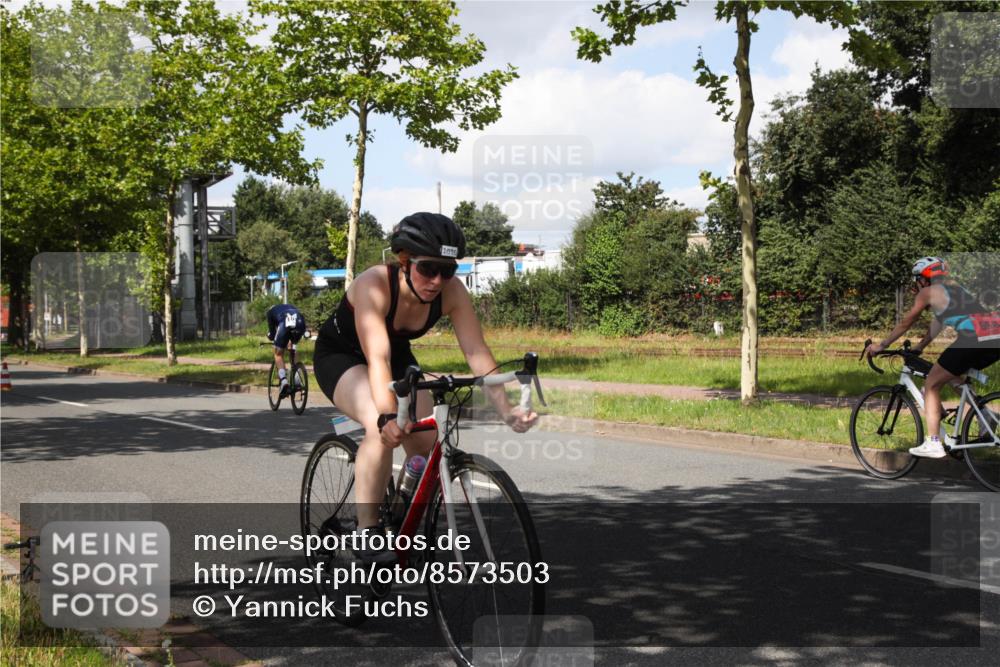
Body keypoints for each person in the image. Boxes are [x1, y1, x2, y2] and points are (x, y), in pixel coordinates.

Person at [313, 212, 538, 564]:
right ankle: (367, 530)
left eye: (447, 270)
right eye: (428, 268)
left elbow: (477, 353)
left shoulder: (451, 293)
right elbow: (378, 356)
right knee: (380, 425)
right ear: (404, 261)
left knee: (427, 441)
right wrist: (389, 415)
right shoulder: (374, 284)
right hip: (343, 357)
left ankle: (405, 500)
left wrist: (506, 410)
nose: (437, 280)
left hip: (397, 359)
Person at [865, 257, 1000, 458]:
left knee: (931, 384)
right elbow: (938, 323)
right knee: (950, 374)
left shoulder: (927, 293)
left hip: (974, 338)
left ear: (923, 278)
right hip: (994, 337)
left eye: (917, 279)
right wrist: (920, 347)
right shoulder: (954, 289)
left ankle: (934, 442)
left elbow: (906, 322)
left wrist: (882, 345)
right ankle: (985, 414)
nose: (917, 283)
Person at [265, 303, 307, 397]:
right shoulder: (291, 306)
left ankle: (284, 381)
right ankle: (297, 376)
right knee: (293, 347)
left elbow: (272, 334)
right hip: (300, 323)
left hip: (285, 323)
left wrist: (270, 336)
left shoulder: (270, 312)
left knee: (278, 354)